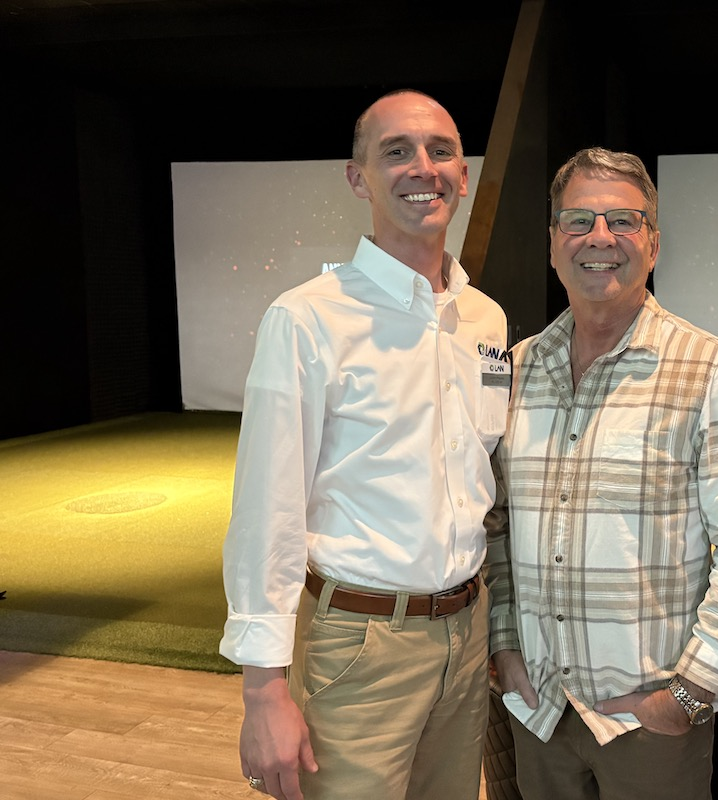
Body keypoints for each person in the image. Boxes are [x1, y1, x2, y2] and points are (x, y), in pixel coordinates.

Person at [219, 89, 509, 800]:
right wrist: (264, 692)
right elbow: (266, 508)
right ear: (359, 178)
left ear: (463, 174)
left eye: (441, 151)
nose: (423, 167)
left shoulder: (484, 319)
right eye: (396, 151)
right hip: (361, 643)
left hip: (465, 638)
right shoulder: (308, 319)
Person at [485, 147, 718, 800]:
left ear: (651, 243)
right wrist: (505, 651)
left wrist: (688, 691)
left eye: (624, 220)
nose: (601, 237)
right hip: (538, 711)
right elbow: (496, 527)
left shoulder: (710, 371)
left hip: (650, 726)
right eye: (579, 220)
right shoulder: (516, 371)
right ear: (553, 244)